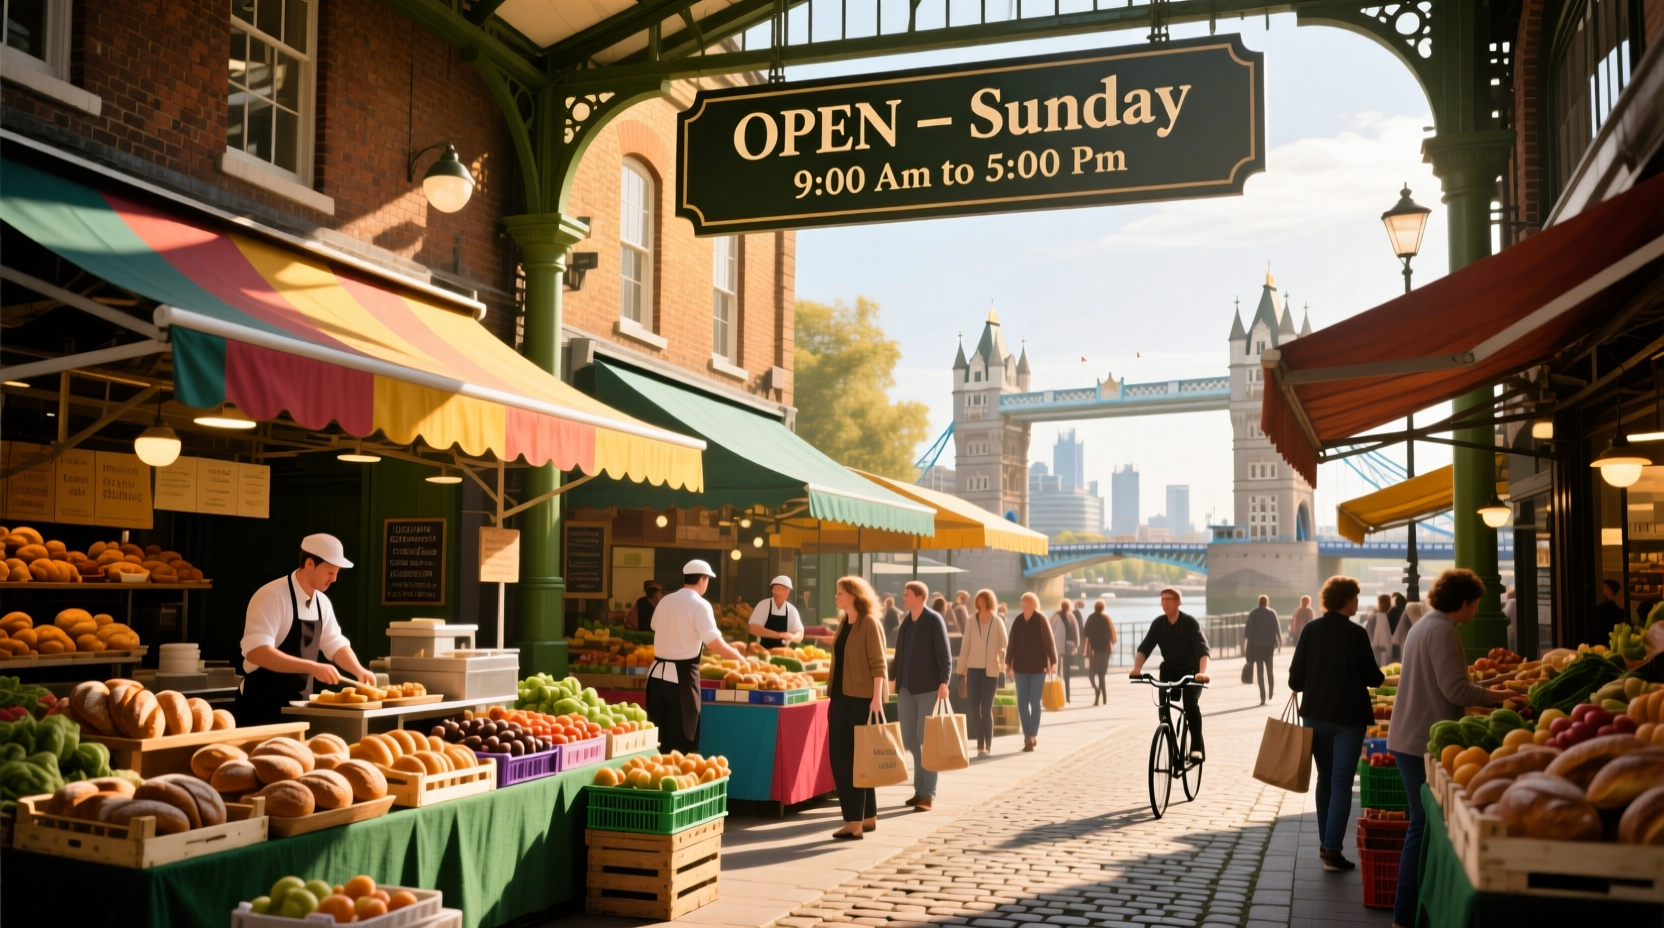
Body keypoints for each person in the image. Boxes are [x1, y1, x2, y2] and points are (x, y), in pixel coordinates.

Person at [1388, 569, 1510, 927]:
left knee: (1422, 824)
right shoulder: (1442, 630)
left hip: (1411, 737)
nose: (1477, 610)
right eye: (1477, 603)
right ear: (1465, 602)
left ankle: (1409, 913)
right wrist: (1502, 695)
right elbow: (1455, 691)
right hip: (1420, 741)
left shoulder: (1426, 624)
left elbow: (1451, 682)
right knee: (1421, 824)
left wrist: (1498, 681)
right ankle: (1403, 916)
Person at [1287, 575, 1383, 872]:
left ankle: (1325, 843)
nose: (1357, 602)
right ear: (1346, 600)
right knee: (1342, 782)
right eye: (1355, 597)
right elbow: (1374, 678)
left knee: (1325, 779)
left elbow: (1295, 680)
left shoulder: (1310, 630)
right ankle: (1332, 850)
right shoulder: (1356, 634)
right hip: (1348, 719)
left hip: (1314, 716)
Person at [238, 534, 377, 725]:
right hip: (261, 709)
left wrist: (358, 670)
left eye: (337, 572)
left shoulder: (322, 603)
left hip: (299, 711)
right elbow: (256, 652)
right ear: (310, 564)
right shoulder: (271, 596)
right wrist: (312, 667)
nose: (334, 579)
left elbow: (335, 644)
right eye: (330, 572)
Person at [647, 560, 746, 754]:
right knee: (682, 743)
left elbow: (656, 627)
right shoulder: (700, 604)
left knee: (657, 741)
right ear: (703, 580)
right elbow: (713, 643)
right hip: (681, 680)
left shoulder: (665, 601)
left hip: (655, 678)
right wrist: (739, 658)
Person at [826, 575, 888, 840]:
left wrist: (876, 698)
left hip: (861, 700)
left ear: (854, 595)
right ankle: (868, 816)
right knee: (853, 758)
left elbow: (878, 663)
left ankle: (854, 822)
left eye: (840, 592)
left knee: (850, 760)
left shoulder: (869, 623)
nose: (836, 596)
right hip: (839, 697)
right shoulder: (844, 622)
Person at [1128, 589, 1211, 761]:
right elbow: (1145, 647)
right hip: (1169, 672)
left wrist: (1203, 673)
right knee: (1163, 711)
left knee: (1190, 705)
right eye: (1162, 600)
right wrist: (1137, 669)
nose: (1164, 603)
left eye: (1168, 599)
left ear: (1178, 602)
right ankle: (1172, 745)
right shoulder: (1159, 624)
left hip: (1191, 673)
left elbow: (1203, 650)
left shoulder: (1189, 623)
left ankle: (1196, 747)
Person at [892, 581, 952, 811]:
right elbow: (899, 654)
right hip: (905, 690)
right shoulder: (906, 622)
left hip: (928, 689)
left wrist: (944, 681)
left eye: (907, 594)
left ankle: (927, 793)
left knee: (927, 742)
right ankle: (919, 789)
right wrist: (892, 678)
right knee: (910, 740)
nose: (903, 597)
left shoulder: (934, 620)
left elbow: (944, 655)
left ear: (919, 597)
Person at [955, 588, 1008, 755]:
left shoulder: (997, 621)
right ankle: (980, 745)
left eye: (984, 599)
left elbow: (1004, 644)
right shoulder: (971, 620)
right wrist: (961, 670)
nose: (981, 602)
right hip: (973, 671)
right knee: (974, 710)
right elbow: (965, 647)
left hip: (990, 672)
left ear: (989, 601)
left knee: (986, 710)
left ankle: (988, 745)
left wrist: (1002, 659)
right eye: (979, 599)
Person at [1005, 592, 1057, 752]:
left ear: (1033, 604)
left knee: (1034, 702)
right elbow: (1011, 643)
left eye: (1027, 603)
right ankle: (1027, 736)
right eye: (1022, 603)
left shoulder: (1041, 619)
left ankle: (1033, 734)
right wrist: (1008, 664)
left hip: (1038, 668)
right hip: (1020, 668)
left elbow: (1049, 642)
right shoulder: (1018, 621)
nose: (1024, 606)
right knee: (1022, 703)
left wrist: (1053, 662)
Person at [1244, 594, 1282, 706]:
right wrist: (1279, 644)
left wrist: (1247, 648)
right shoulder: (1272, 613)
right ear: (1267, 602)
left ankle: (1263, 696)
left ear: (1259, 602)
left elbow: (1248, 633)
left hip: (1257, 647)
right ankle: (1271, 691)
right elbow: (1278, 629)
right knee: (1270, 670)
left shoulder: (1253, 613)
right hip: (1269, 647)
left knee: (1260, 672)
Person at [748, 576, 804, 649]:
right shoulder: (763, 605)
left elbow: (800, 634)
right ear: (773, 590)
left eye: (784, 589)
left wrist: (793, 637)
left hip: (784, 652)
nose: (783, 592)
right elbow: (753, 628)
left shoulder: (791, 609)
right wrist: (779, 635)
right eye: (777, 589)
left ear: (788, 592)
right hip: (763, 650)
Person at [1082, 600, 1116, 706]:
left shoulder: (1091, 618)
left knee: (1091, 674)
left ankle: (1096, 691)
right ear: (1103, 608)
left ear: (1094, 607)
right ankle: (1104, 698)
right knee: (1102, 675)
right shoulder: (1107, 618)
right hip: (1105, 651)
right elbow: (1113, 636)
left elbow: (1084, 633)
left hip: (1094, 651)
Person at [1050, 599, 1080, 703]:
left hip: (1057, 646)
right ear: (1069, 607)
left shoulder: (1056, 616)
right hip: (1070, 646)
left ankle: (1058, 695)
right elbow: (1077, 632)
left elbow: (1051, 630)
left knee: (1057, 672)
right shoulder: (1072, 617)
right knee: (1067, 673)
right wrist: (1076, 646)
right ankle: (1067, 697)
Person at [1365, 594, 1394, 666]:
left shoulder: (1376, 616)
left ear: (1379, 603)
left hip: (1377, 649)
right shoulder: (1389, 616)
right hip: (1388, 649)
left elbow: (1369, 634)